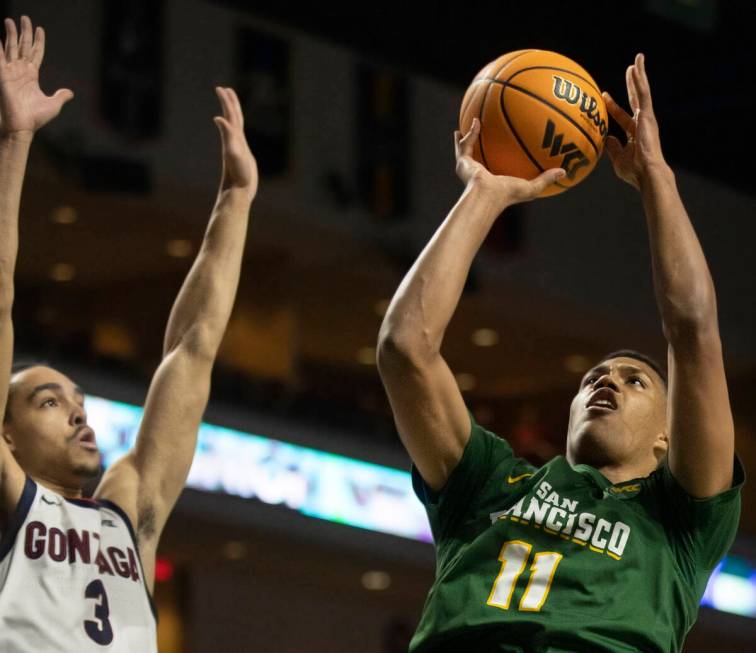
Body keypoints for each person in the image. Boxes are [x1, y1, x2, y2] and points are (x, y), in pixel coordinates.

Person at [377, 53, 743, 652]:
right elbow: (404, 349)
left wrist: (656, 177)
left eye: (636, 381)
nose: (609, 382)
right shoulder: (490, 483)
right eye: (597, 377)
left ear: (666, 440)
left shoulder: (681, 523)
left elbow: (694, 332)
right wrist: (485, 195)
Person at [0, 16, 258, 651]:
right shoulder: (10, 498)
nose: (79, 416)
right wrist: (15, 143)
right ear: (5, 431)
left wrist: (237, 199)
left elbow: (190, 351)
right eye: (50, 402)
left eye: (79, 403)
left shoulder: (127, 513)